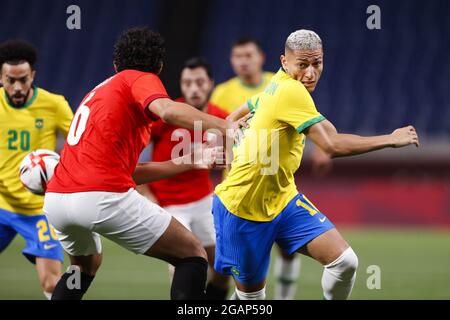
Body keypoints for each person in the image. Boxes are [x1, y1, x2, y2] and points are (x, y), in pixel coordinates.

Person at [215, 29, 420, 300]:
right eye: (303, 65)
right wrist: (390, 139)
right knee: (252, 301)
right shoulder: (292, 91)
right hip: (243, 208)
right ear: (285, 62)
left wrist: (232, 124)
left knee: (344, 261)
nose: (310, 73)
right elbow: (330, 146)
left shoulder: (277, 82)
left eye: (317, 63)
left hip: (283, 200)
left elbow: (243, 109)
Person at [43, 27, 237, 300]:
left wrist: (190, 161)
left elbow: (131, 172)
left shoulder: (97, 93)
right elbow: (168, 111)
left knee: (84, 268)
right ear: (159, 67)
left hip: (57, 198)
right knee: (193, 254)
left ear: (115, 64)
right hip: (100, 196)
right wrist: (227, 126)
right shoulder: (139, 79)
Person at [211, 36, 302, 300]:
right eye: (237, 56)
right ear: (231, 60)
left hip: (276, 183)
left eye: (248, 55)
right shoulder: (222, 93)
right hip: (239, 189)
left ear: (261, 57)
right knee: (236, 265)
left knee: (288, 247)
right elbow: (218, 133)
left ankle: (285, 298)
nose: (243, 61)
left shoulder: (279, 83)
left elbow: (300, 120)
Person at [139, 57, 230, 300]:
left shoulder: (221, 118)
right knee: (184, 265)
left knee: (224, 266)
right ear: (181, 85)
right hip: (168, 205)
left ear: (210, 83)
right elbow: (132, 154)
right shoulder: (168, 113)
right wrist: (146, 194)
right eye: (187, 82)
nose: (194, 88)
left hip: (203, 202)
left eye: (199, 82)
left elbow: (238, 154)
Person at [0, 40, 73, 299]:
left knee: (53, 284)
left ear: (33, 75)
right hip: (1, 204)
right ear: (1, 77)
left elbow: (80, 143)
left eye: (23, 79)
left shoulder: (54, 104)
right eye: (10, 80)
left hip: (38, 212)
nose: (17, 87)